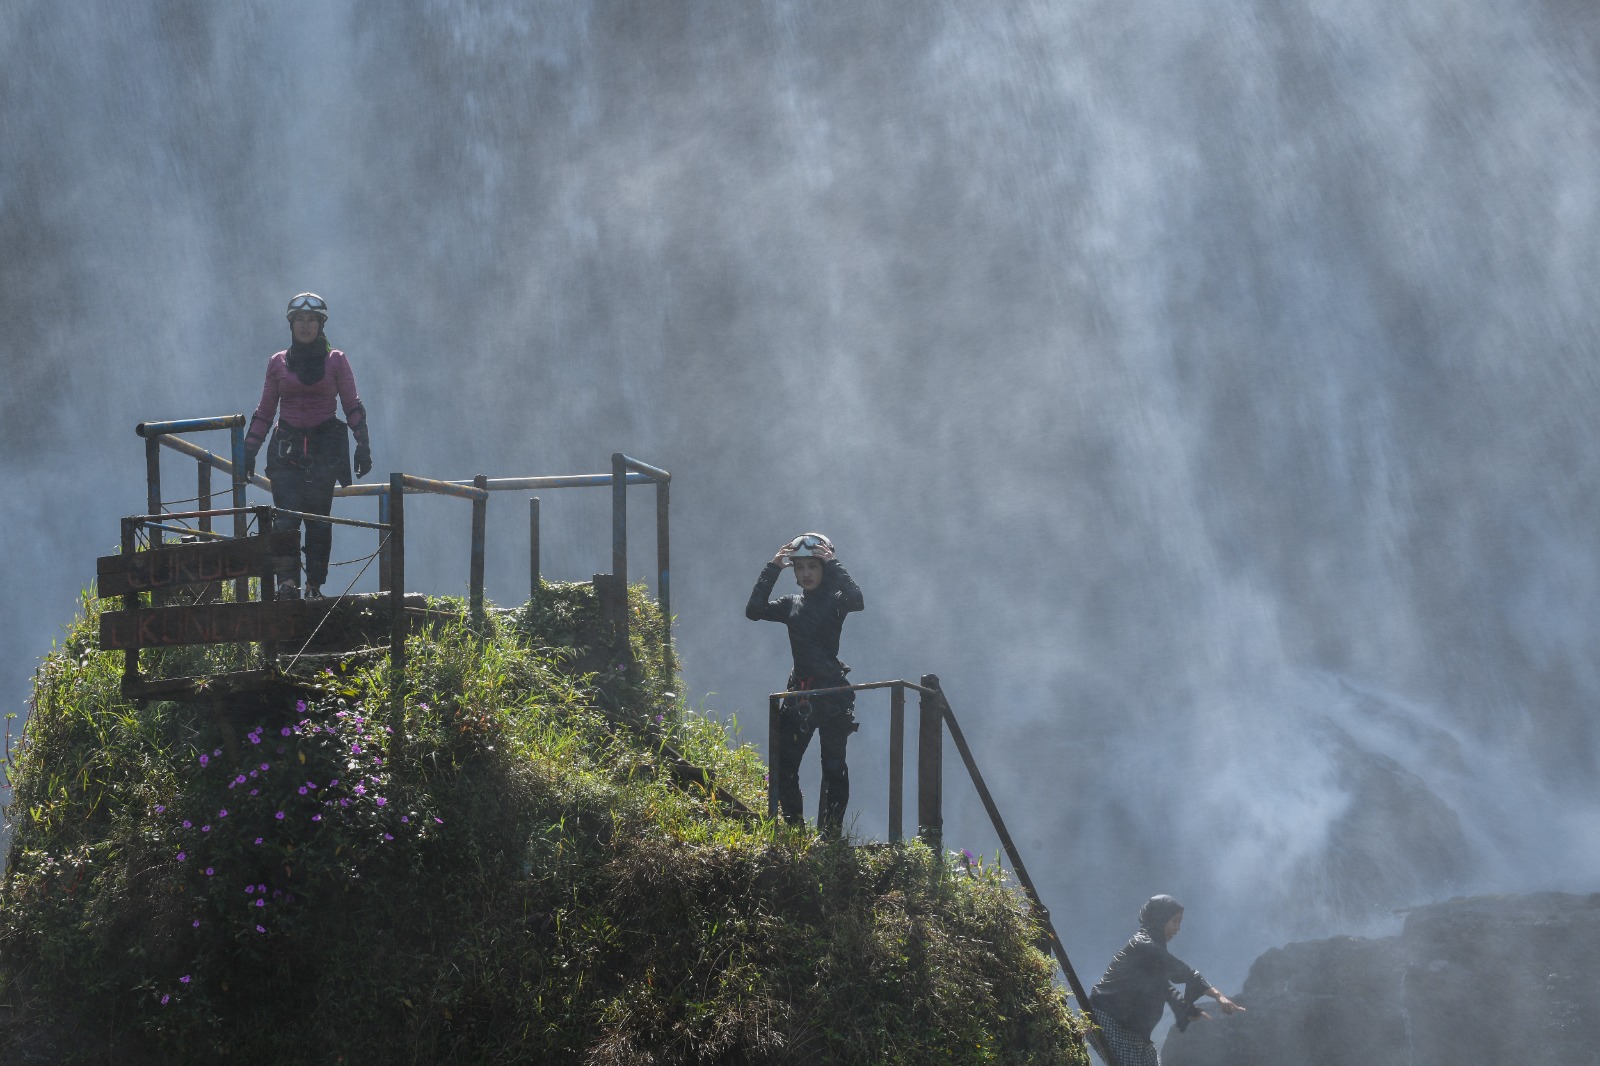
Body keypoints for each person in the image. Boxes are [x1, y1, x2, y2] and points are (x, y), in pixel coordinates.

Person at [242, 292, 372, 599]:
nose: (305, 325)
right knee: (285, 519)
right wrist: (248, 450)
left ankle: (314, 587)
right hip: (285, 452)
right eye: (299, 319)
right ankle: (287, 585)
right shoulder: (278, 363)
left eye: (312, 319)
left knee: (318, 522)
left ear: (321, 324)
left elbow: (352, 404)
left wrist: (363, 444)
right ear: (291, 324)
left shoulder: (336, 360)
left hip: (323, 452)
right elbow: (265, 410)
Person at [745, 533, 865, 834]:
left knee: (834, 767)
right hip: (801, 695)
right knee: (784, 766)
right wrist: (773, 567)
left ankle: (830, 835)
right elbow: (754, 611)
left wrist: (834, 563)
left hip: (832, 696)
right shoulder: (791, 604)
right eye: (799, 568)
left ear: (824, 568)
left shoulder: (836, 601)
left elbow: (857, 600)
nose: (806, 573)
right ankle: (796, 830)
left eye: (813, 566)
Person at [1089, 895, 1244, 1066]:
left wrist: (1189, 1007)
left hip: (1133, 1029)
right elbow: (1182, 971)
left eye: (1179, 922)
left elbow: (1165, 986)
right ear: (1160, 919)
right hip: (1107, 1020)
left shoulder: (1153, 949)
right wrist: (1218, 996)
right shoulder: (1143, 945)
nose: (1177, 928)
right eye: (1174, 921)